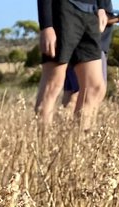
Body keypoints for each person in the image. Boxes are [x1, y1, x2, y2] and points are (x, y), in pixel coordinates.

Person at [36, 0, 114, 128]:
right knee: (53, 84)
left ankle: (79, 143)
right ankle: (43, 144)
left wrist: (102, 7)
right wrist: (46, 25)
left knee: (95, 88)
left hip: (91, 12)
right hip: (63, 10)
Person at [62, 0, 119, 109]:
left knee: (72, 92)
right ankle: (81, 125)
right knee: (91, 91)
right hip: (92, 47)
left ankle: (64, 124)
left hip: (73, 42)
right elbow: (98, 20)